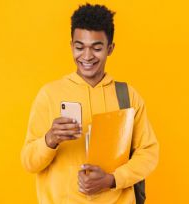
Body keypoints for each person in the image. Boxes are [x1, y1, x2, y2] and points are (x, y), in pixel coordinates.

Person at [21, 3, 159, 204]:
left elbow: (148, 153)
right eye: (79, 47)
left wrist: (112, 180)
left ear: (110, 49)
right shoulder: (49, 95)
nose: (86, 56)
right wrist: (50, 139)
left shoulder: (127, 96)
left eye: (96, 48)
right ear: (71, 46)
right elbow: (28, 162)